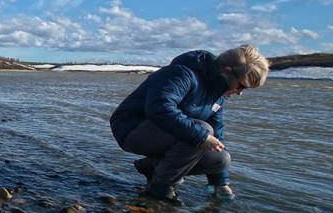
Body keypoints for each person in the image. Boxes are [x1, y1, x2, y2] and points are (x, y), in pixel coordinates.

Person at [110, 45, 269, 202]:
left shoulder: (218, 95)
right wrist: (201, 137)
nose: (240, 93)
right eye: (241, 86)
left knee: (220, 158)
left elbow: (217, 132)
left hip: (166, 134)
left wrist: (220, 183)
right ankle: (160, 187)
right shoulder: (181, 73)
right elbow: (160, 107)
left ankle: (152, 167)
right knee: (202, 131)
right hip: (131, 130)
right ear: (227, 71)